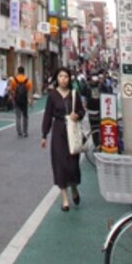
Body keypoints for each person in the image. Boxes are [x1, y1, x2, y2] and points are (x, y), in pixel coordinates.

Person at [41, 66, 84, 211]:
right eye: (60, 76)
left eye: (66, 76)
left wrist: (77, 115)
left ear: (69, 78)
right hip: (58, 131)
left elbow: (81, 110)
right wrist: (44, 135)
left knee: (72, 165)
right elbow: (48, 115)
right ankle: (64, 198)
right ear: (56, 78)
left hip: (72, 131)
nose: (63, 79)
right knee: (60, 164)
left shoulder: (74, 94)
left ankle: (74, 188)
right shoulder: (52, 95)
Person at [8, 65, 32, 137]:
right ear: (24, 72)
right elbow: (30, 91)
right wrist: (30, 100)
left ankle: (19, 131)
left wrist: (12, 98)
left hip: (17, 99)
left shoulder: (14, 80)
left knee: (18, 116)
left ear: (18, 71)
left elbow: (11, 90)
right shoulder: (27, 80)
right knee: (25, 116)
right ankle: (25, 131)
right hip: (24, 100)